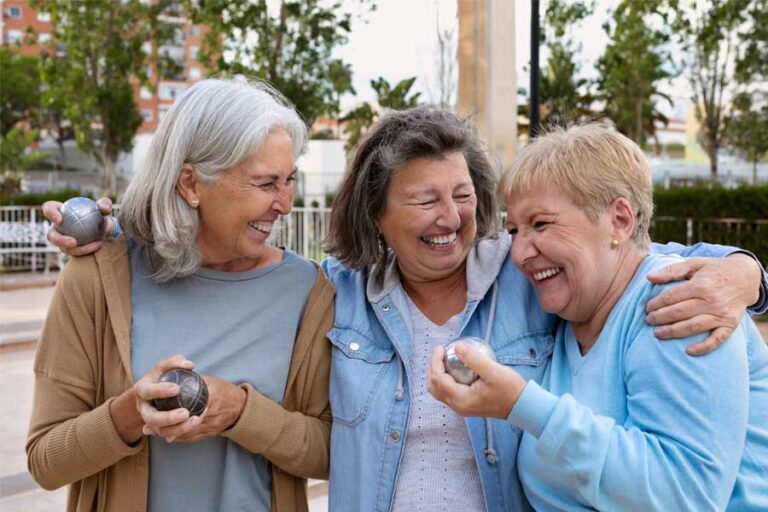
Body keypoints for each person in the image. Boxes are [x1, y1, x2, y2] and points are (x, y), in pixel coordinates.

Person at [43, 107, 768, 512]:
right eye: (424, 201)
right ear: (377, 217)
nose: (451, 218)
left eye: (462, 197)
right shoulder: (337, 293)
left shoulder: (523, 275)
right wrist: (122, 226)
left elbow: (627, 245)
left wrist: (746, 271)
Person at [27, 78, 334, 512]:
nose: (285, 204)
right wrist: (131, 413)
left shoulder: (310, 290)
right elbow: (45, 461)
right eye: (266, 184)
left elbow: (333, 450)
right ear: (191, 183)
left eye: (290, 180)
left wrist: (241, 412)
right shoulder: (99, 275)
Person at [427, 124, 768, 510]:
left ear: (619, 220)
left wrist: (523, 404)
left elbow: (684, 495)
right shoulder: (570, 313)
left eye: (541, 224)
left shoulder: (680, 300)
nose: (519, 253)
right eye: (513, 230)